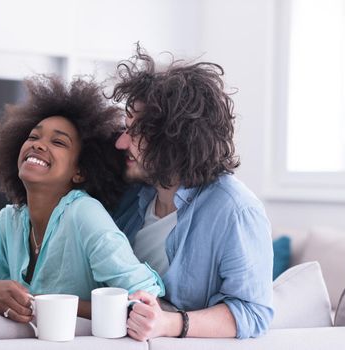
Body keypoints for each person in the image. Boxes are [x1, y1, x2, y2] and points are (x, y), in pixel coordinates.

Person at [0, 75, 164, 322]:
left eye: (58, 142)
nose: (39, 145)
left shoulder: (84, 213)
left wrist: (44, 305)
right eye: (33, 137)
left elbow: (144, 299)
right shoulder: (9, 222)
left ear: (80, 171)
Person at [109, 45, 274, 340]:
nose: (122, 143)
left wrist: (168, 324)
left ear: (174, 138)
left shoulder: (235, 210)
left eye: (136, 131)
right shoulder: (131, 197)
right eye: (126, 127)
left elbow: (253, 311)